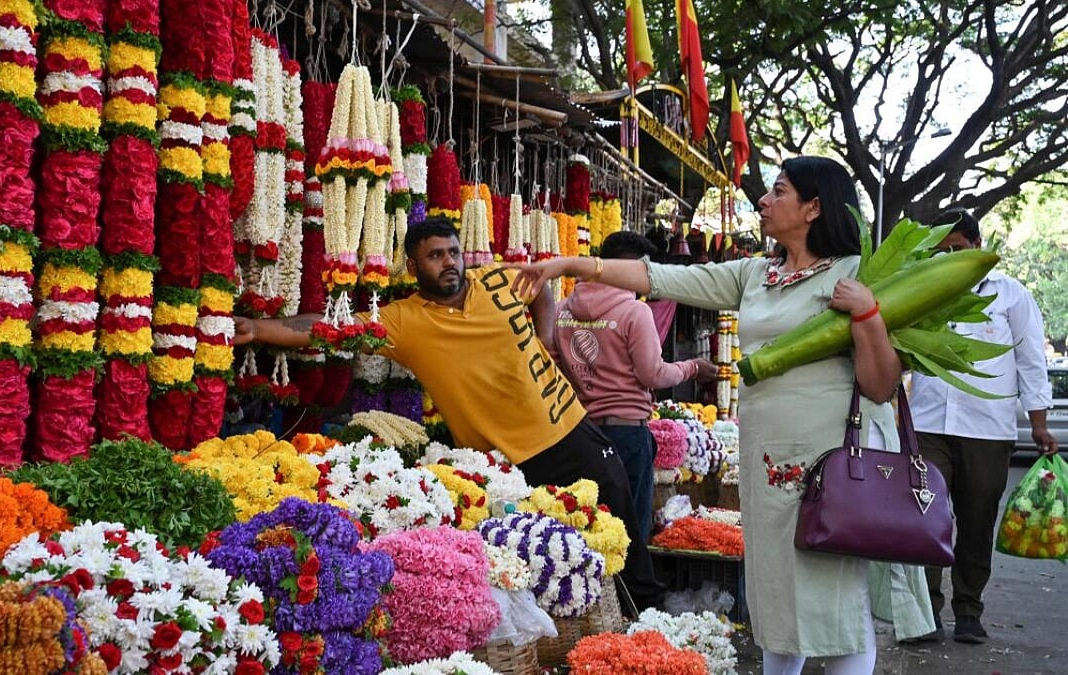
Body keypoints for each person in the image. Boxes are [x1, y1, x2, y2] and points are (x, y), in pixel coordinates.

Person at [512, 156, 901, 675]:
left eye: (778, 192)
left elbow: (880, 385)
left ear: (813, 207)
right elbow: (661, 276)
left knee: (834, 601)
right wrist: (569, 266)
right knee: (776, 592)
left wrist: (868, 313)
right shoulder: (756, 275)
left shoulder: (855, 274)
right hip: (767, 462)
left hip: (828, 466)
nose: (763, 201)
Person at [233, 216, 666, 612]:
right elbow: (328, 326)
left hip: (571, 432)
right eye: (435, 256)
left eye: (453, 252)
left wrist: (547, 337)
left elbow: (543, 288)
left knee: (623, 541)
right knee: (543, 568)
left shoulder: (497, 279)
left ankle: (647, 625)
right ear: (413, 266)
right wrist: (258, 330)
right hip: (507, 467)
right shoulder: (405, 322)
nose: (449, 263)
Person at [909, 208, 1059, 644]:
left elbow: (1031, 362)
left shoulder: (1011, 295)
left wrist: (1039, 425)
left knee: (976, 522)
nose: (947, 258)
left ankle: (969, 610)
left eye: (955, 249)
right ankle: (926, 614)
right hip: (929, 423)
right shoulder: (922, 294)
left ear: (976, 247)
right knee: (928, 518)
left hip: (988, 430)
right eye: (939, 252)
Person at [551, 230, 717, 541]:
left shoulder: (562, 310)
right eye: (646, 272)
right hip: (625, 434)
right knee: (629, 533)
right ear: (633, 269)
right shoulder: (635, 311)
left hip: (579, 433)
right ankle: (633, 589)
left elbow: (552, 368)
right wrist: (692, 367)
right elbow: (652, 374)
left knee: (586, 526)